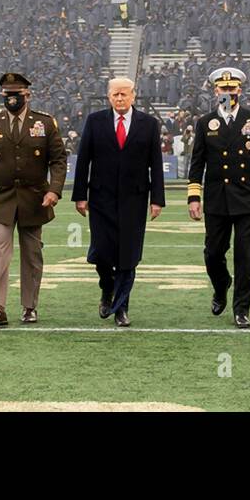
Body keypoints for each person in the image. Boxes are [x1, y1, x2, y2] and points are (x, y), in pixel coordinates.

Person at [0, 73, 67, 326]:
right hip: (1, 197)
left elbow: (58, 160)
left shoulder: (44, 123)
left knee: (32, 254)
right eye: (6, 95)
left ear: (27, 95)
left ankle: (29, 306)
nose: (11, 99)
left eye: (16, 95)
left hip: (34, 198)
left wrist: (54, 190)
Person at [187, 67, 250, 329]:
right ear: (216, 91)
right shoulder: (206, 123)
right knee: (213, 253)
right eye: (223, 89)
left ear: (240, 90)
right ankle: (221, 284)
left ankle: (241, 309)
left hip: (248, 197)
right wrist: (194, 197)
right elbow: (197, 164)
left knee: (245, 255)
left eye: (232, 89)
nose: (228, 93)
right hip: (217, 198)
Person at [70, 77, 166, 327]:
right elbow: (84, 161)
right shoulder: (95, 121)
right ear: (109, 96)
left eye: (124, 94)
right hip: (101, 198)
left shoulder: (149, 124)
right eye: (115, 94)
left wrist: (157, 199)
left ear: (134, 95)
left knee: (128, 255)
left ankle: (121, 307)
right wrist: (80, 195)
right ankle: (107, 289)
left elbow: (155, 163)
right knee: (102, 253)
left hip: (134, 199)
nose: (120, 99)